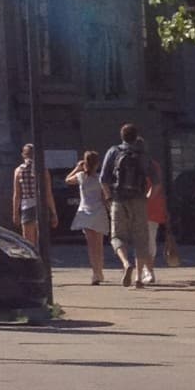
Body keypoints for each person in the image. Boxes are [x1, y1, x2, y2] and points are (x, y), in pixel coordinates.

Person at [101, 120, 157, 287]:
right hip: (139, 199)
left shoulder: (113, 151)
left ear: (122, 136)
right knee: (141, 239)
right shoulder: (144, 155)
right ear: (136, 136)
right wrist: (148, 197)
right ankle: (139, 277)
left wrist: (109, 198)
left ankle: (126, 263)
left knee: (117, 236)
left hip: (119, 199)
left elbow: (103, 179)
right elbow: (157, 182)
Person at [67, 148, 108, 283]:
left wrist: (77, 168)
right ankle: (100, 272)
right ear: (97, 164)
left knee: (91, 246)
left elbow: (67, 180)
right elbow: (104, 197)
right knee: (99, 245)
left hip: (85, 211)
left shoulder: (81, 177)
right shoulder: (100, 178)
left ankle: (95, 273)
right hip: (99, 211)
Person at [10, 140, 58, 253]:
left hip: (26, 206)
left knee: (29, 243)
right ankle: (42, 261)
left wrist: (15, 213)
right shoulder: (42, 170)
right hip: (41, 206)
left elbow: (17, 194)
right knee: (42, 242)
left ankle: (32, 261)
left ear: (23, 155)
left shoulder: (18, 171)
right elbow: (48, 194)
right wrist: (54, 213)